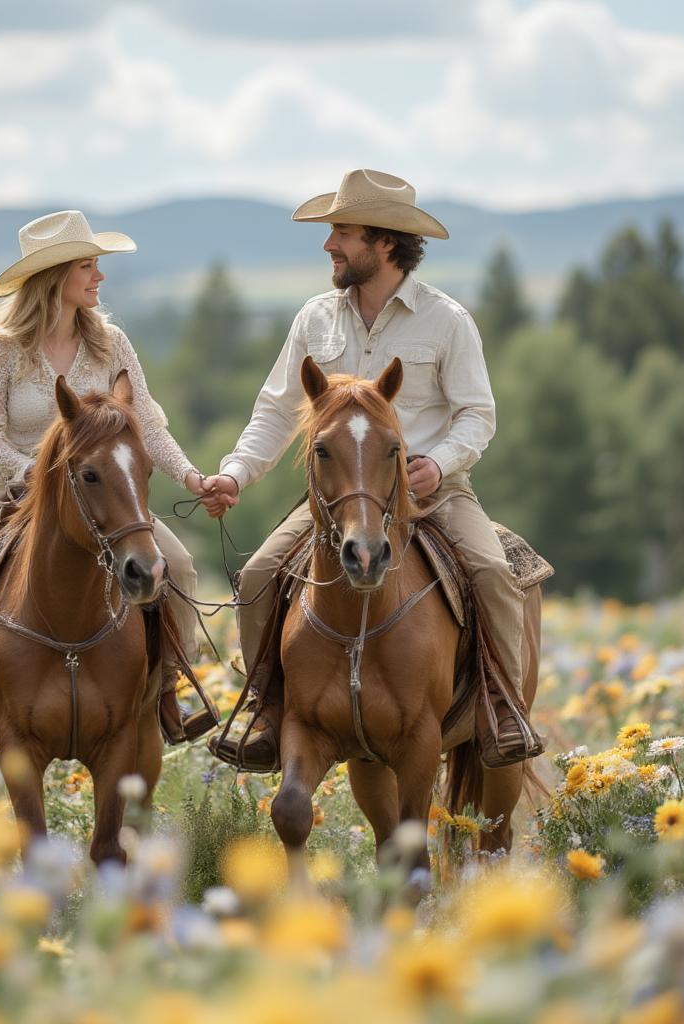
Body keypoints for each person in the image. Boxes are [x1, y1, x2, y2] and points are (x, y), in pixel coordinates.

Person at [199, 168, 542, 769]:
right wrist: (234, 473)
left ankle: (500, 706)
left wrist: (437, 463)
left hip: (431, 493)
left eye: (342, 232)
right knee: (256, 578)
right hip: (337, 498)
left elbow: (476, 416)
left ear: (385, 242)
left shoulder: (447, 320)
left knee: (492, 572)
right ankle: (266, 712)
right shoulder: (314, 319)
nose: (329, 244)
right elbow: (277, 412)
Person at [0, 209, 215, 743]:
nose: (100, 277)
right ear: (57, 277)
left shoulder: (111, 342)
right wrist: (32, 472)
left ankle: (169, 690)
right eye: (89, 267)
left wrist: (191, 478)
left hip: (104, 495)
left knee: (181, 567)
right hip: (16, 489)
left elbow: (148, 426)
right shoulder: (2, 347)